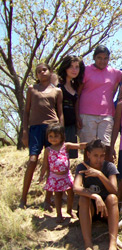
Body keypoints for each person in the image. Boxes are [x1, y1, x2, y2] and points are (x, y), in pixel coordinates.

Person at [20, 63, 64, 208]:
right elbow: (26, 112)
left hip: (52, 127)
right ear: (36, 75)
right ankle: (23, 199)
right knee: (33, 160)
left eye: (44, 70)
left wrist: (61, 130)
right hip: (35, 128)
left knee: (52, 164)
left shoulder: (57, 90)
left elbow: (60, 111)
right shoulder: (32, 89)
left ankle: (47, 200)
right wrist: (25, 131)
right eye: (39, 71)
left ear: (50, 71)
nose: (42, 73)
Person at [77, 45, 122, 162]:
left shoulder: (114, 72)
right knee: (89, 147)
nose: (102, 61)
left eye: (105, 58)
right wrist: (76, 116)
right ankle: (88, 176)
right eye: (99, 58)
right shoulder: (86, 70)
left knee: (106, 146)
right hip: (87, 114)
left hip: (107, 114)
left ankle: (107, 175)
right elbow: (78, 94)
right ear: (94, 57)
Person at [73, 139, 119, 250]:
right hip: (90, 210)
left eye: (102, 156)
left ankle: (113, 243)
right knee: (83, 199)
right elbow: (76, 188)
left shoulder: (109, 167)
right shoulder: (82, 167)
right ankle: (88, 244)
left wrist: (100, 174)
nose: (99, 159)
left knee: (112, 198)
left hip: (106, 210)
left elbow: (114, 190)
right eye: (95, 155)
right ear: (88, 154)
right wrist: (95, 196)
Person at [38, 123, 86, 223]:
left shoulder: (66, 146)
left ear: (62, 136)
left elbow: (79, 146)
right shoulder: (48, 150)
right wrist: (41, 175)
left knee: (71, 193)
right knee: (58, 195)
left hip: (66, 176)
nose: (53, 138)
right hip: (55, 177)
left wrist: (90, 144)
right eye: (50, 136)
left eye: (56, 136)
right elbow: (45, 165)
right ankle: (59, 214)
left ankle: (69, 210)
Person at [57, 55, 85, 159]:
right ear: (65, 67)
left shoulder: (75, 85)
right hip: (60, 126)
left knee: (68, 157)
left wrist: (77, 118)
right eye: (71, 66)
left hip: (71, 125)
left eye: (77, 67)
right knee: (57, 156)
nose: (74, 70)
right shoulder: (58, 84)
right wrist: (59, 127)